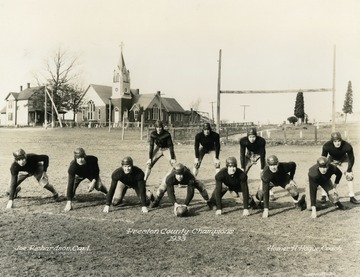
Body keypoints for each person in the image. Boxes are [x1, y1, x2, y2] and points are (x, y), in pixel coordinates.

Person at [64, 147, 108, 212]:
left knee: (99, 186)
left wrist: (93, 182)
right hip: (78, 176)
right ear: (75, 158)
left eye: (82, 157)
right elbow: (70, 183)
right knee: (68, 195)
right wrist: (68, 203)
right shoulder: (72, 167)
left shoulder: (93, 159)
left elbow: (97, 171)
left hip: (90, 174)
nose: (80, 160)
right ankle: (69, 199)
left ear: (85, 156)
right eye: (78, 158)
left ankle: (107, 193)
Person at [320, 132, 359, 204]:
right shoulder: (327, 146)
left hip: (344, 159)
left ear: (341, 140)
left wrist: (349, 170)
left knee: (349, 176)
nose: (337, 143)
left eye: (339, 141)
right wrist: (324, 168)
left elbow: (351, 158)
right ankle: (324, 196)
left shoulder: (347, 146)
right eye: (335, 141)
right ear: (332, 141)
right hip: (331, 159)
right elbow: (323, 158)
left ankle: (352, 196)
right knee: (324, 175)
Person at [239, 127, 276, 200]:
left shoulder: (261, 141)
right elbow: (242, 154)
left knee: (266, 173)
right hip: (249, 156)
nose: (252, 139)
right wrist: (242, 166)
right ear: (247, 136)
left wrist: (262, 168)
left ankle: (269, 191)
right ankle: (240, 190)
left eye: (253, 137)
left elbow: (263, 154)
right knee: (242, 173)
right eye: (250, 137)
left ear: (256, 136)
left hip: (259, 155)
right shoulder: (243, 141)